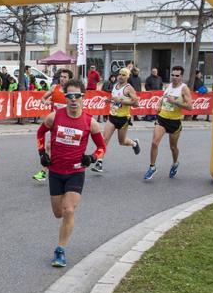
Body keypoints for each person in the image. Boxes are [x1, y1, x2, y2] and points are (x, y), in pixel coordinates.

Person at [36, 79, 105, 268]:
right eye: (69, 96)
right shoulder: (54, 117)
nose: (73, 100)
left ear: (83, 97)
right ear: (64, 97)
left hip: (76, 172)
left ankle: (60, 250)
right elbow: (40, 134)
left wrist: (91, 158)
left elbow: (102, 147)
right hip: (56, 171)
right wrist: (42, 153)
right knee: (58, 213)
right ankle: (62, 239)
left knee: (68, 209)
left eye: (77, 96)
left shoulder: (90, 122)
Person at [144, 65, 193, 181]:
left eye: (177, 75)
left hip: (175, 122)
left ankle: (175, 163)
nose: (174, 77)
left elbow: (190, 106)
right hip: (162, 119)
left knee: (173, 147)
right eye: (173, 75)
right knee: (154, 143)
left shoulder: (184, 88)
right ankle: (152, 167)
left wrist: (175, 102)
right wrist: (159, 105)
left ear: (181, 76)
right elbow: (163, 98)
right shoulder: (168, 85)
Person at [94, 67, 141, 172]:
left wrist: (121, 100)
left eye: (124, 75)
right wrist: (109, 100)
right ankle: (99, 163)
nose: (121, 76)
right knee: (104, 139)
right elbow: (114, 97)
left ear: (128, 77)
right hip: (112, 116)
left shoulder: (129, 88)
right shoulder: (115, 86)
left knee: (122, 141)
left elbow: (136, 103)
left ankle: (134, 143)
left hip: (123, 119)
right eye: (120, 74)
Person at [32, 69, 72, 182]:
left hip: (66, 122)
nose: (62, 79)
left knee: (54, 146)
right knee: (51, 146)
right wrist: (46, 102)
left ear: (69, 79)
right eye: (61, 76)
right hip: (54, 120)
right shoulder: (54, 88)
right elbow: (43, 98)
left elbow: (77, 105)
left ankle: (46, 171)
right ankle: (48, 170)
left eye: (65, 77)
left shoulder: (70, 91)